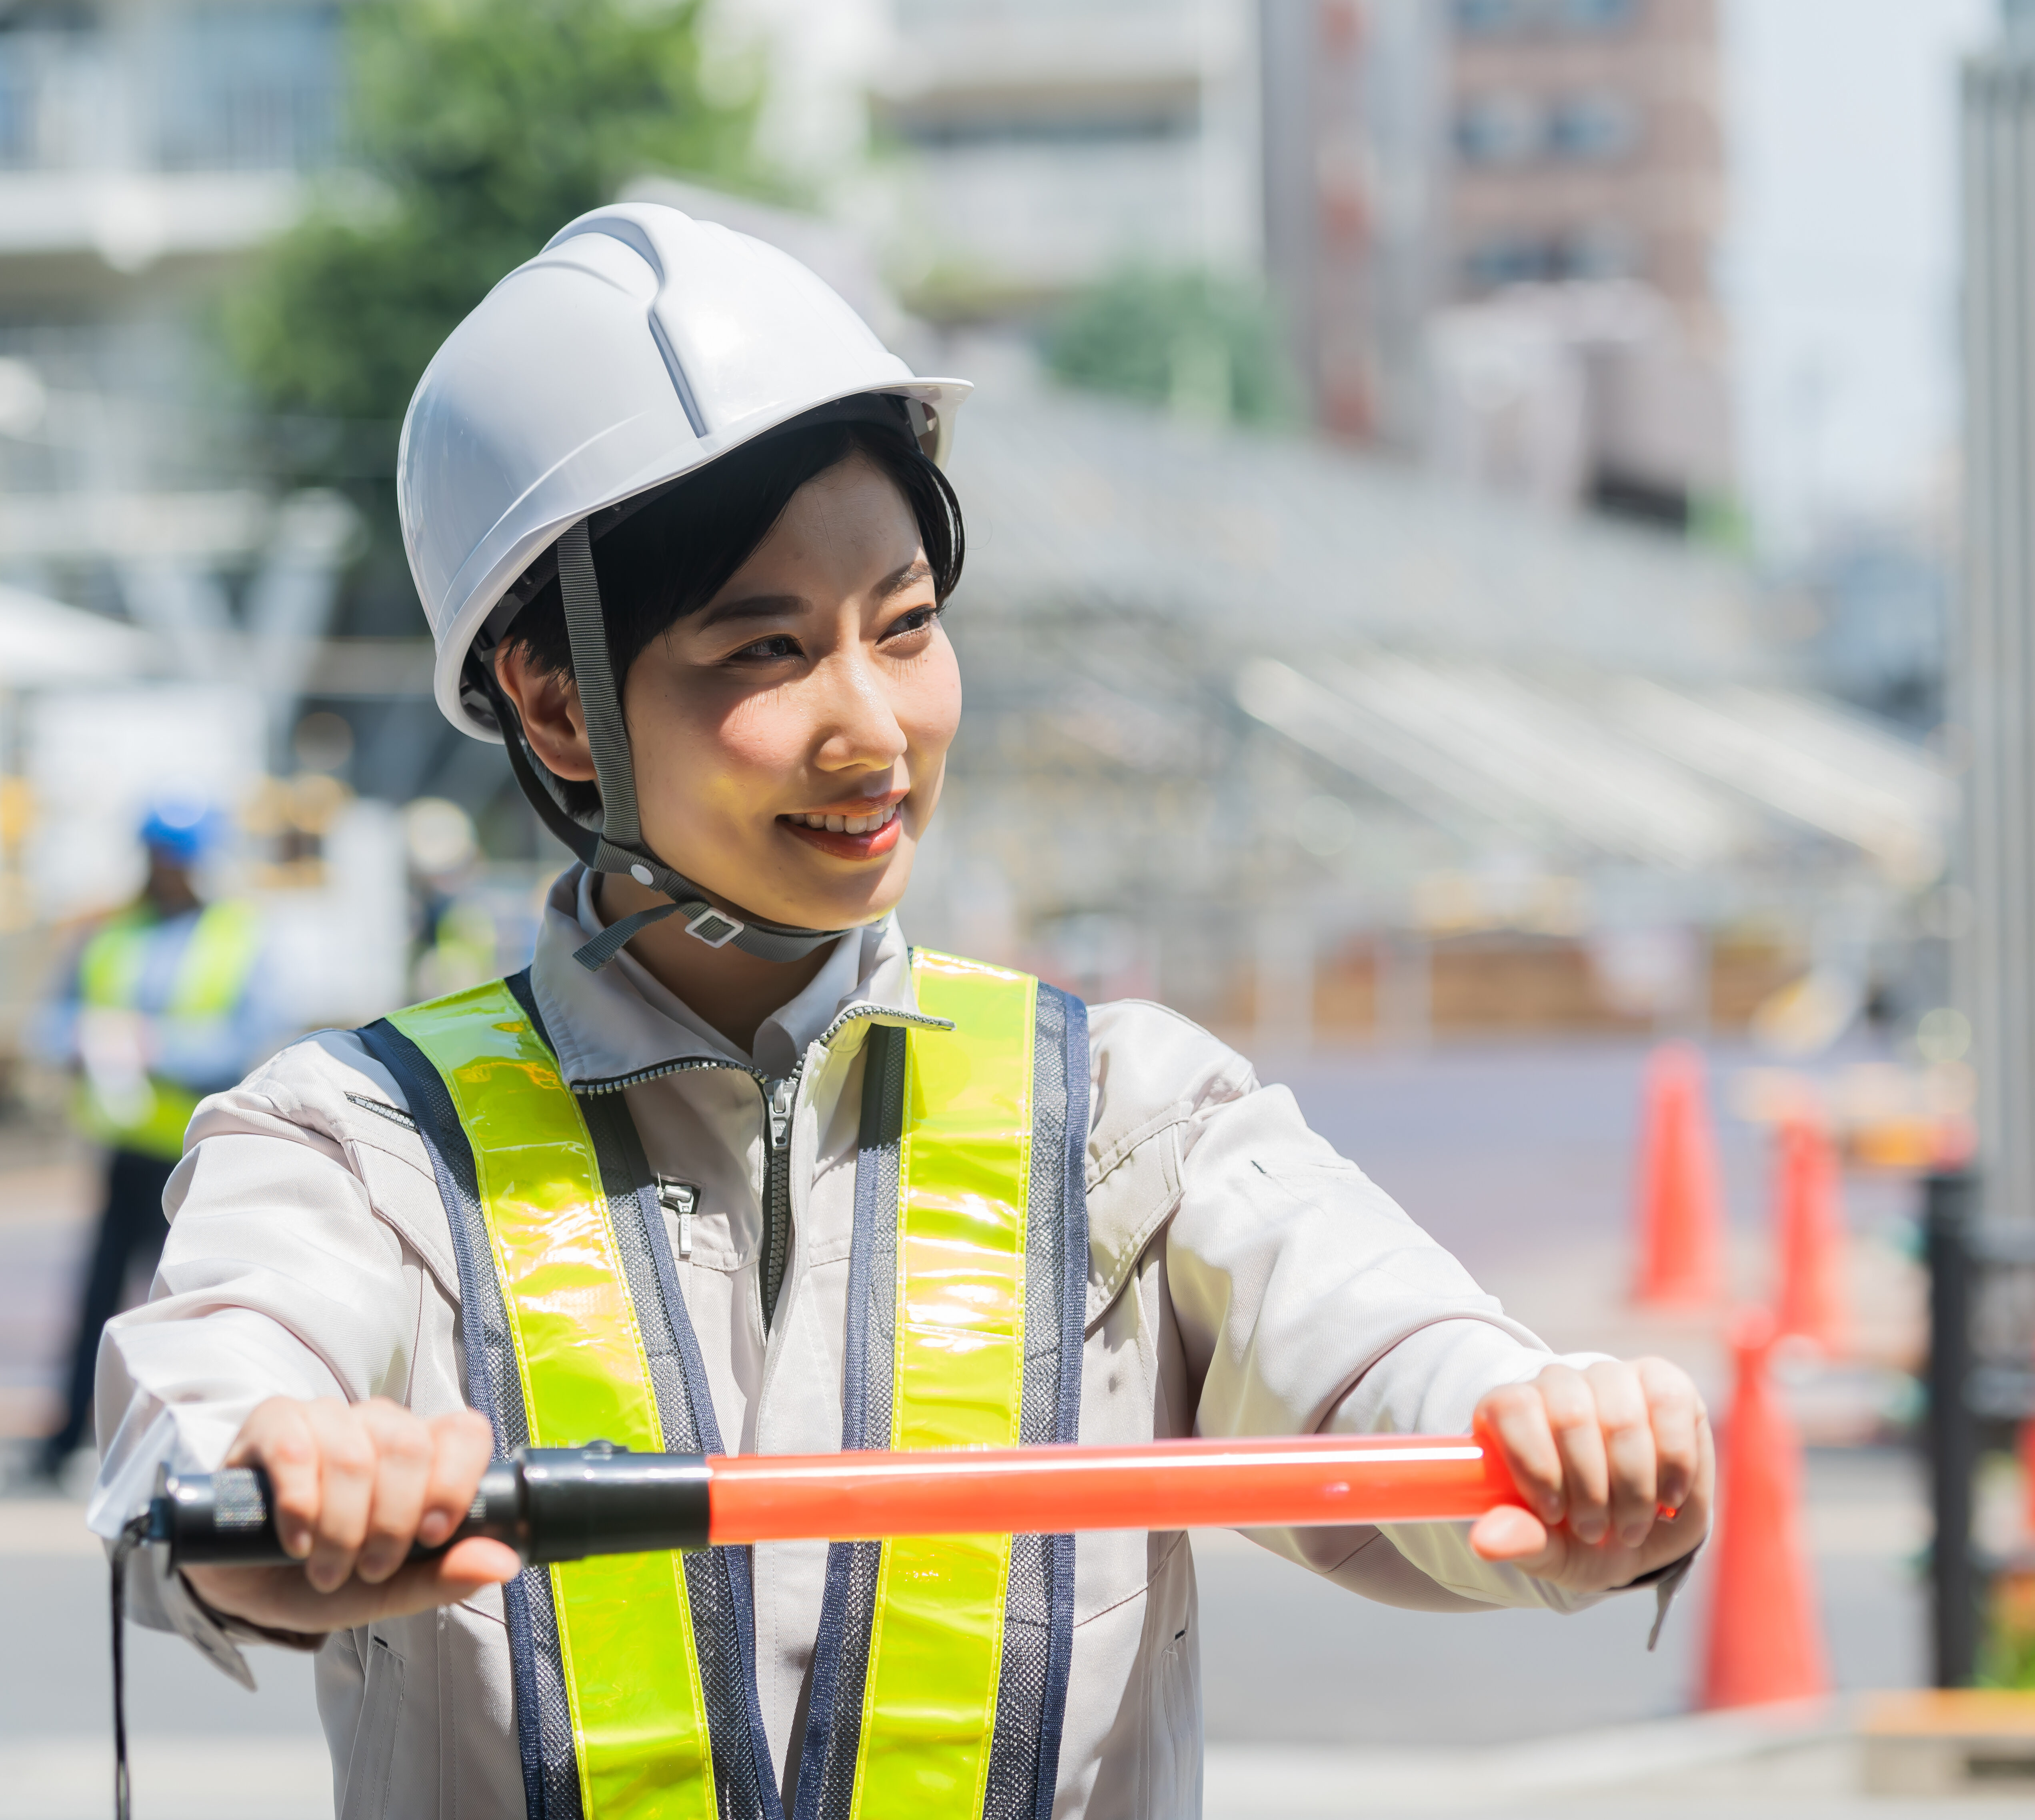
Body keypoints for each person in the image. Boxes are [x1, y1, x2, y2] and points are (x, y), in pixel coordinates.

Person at [88, 205, 1712, 1820]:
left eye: (907, 625)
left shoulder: (1124, 1121)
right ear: (557, 705)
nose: (872, 729)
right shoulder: (364, 1147)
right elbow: (205, 1406)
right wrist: (285, 1481)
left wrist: (1555, 1433)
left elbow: (1387, 1355)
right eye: (768, 648)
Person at [31, 798, 275, 1484]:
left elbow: (250, 1038)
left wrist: (153, 1044)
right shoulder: (110, 935)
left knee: (194, 1304)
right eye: (160, 858)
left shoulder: (238, 936)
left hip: (202, 1154)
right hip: (129, 1150)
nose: (168, 871)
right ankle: (64, 1442)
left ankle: (199, 1444)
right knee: (100, 1301)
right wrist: (86, 1039)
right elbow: (50, 1022)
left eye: (179, 860)